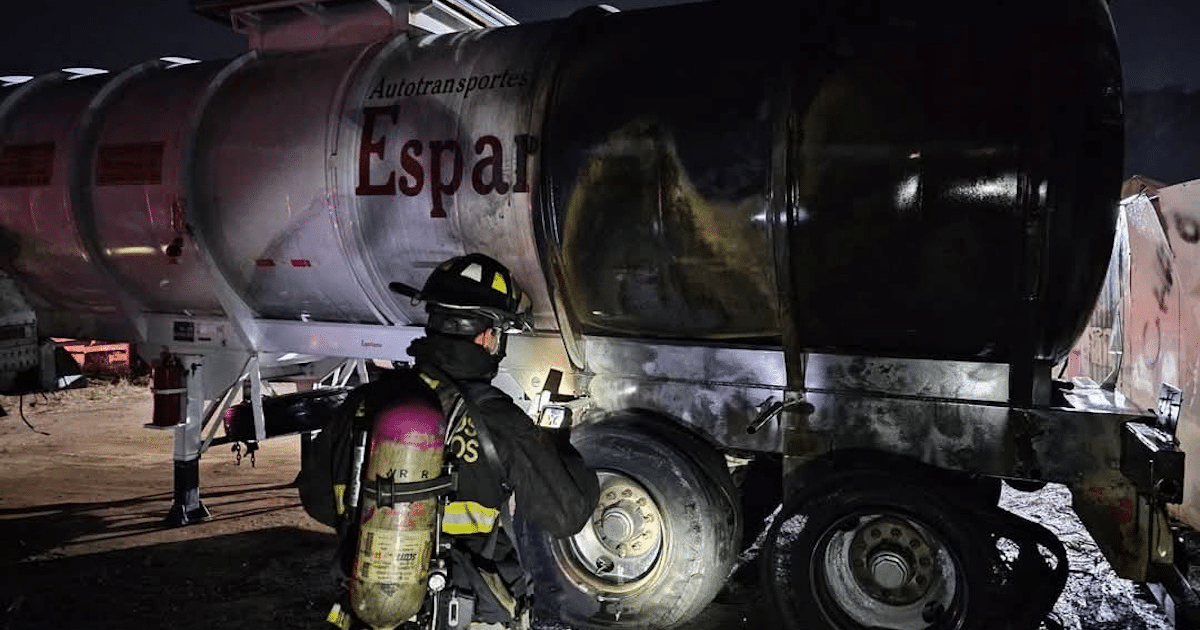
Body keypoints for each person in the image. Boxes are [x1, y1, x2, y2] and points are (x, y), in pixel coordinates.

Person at [391, 252, 599, 629]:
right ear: (487, 336)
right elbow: (567, 514)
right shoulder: (498, 418)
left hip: (373, 605)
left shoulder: (371, 401)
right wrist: (556, 447)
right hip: (460, 608)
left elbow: (319, 499)